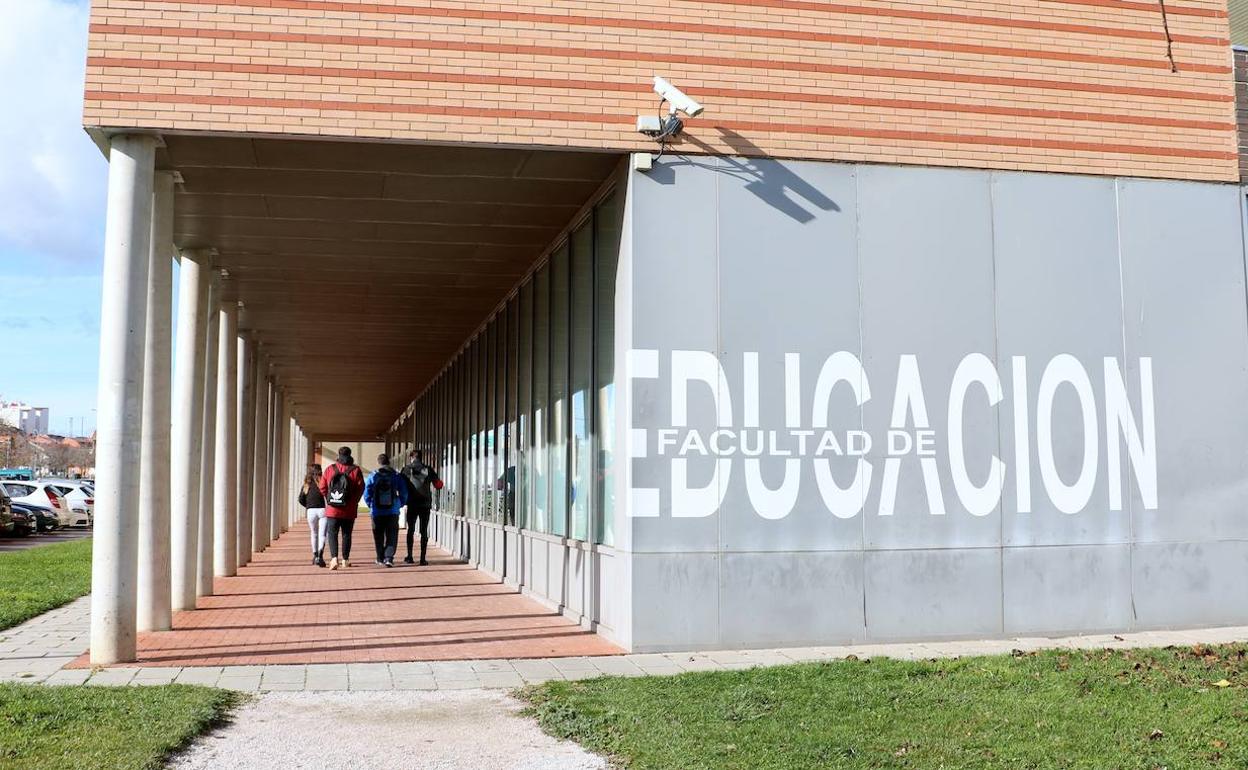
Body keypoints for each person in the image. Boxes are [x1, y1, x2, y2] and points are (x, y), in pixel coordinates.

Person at [318, 446, 365, 571]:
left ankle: (334, 558)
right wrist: (354, 501)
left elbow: (322, 487)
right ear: (350, 455)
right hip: (349, 510)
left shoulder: (330, 469)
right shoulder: (356, 470)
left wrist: (330, 498)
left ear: (338, 455)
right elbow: (360, 488)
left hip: (332, 509)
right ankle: (345, 559)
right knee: (347, 534)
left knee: (332, 534)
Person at [364, 453, 407, 567]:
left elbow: (367, 492)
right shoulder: (396, 475)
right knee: (392, 534)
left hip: (377, 511)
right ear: (389, 462)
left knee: (378, 534)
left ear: (379, 462)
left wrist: (370, 504)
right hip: (392, 511)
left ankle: (379, 557)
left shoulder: (373, 475)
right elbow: (404, 492)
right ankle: (389, 558)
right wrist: (400, 504)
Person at [401, 449, 442, 565]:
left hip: (412, 503)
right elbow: (438, 485)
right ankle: (423, 559)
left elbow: (400, 485)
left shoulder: (406, 469)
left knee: (411, 530)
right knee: (424, 531)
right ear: (421, 457)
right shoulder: (428, 469)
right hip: (425, 504)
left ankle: (409, 556)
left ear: (411, 457)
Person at [298, 464, 328, 567]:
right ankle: (320, 555)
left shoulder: (306, 484)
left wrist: (308, 506)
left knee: (314, 533)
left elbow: (300, 499)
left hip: (311, 511)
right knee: (322, 534)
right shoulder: (323, 483)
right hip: (323, 510)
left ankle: (315, 556)